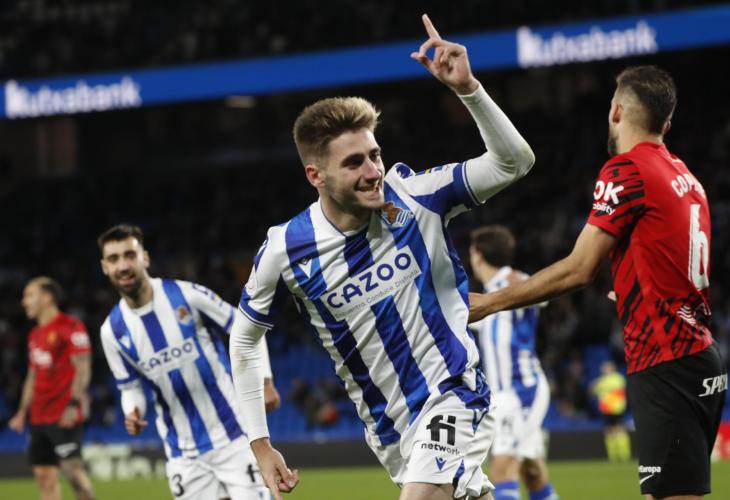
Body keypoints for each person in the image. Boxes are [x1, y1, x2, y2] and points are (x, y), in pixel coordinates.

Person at [230, 14, 535, 500]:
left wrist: (469, 90)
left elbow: (513, 163)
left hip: (454, 393)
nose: (373, 171)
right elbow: (244, 340)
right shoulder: (286, 248)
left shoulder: (418, 196)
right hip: (391, 432)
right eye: (354, 163)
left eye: (374, 155)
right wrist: (261, 445)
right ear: (315, 176)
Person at [469, 65, 727, 499]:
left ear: (616, 111)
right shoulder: (686, 177)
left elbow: (578, 269)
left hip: (667, 360)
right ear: (666, 124)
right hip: (696, 354)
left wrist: (491, 302)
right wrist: (632, 286)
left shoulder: (625, 170)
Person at [96, 224, 279, 499]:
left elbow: (246, 329)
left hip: (234, 436)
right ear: (104, 267)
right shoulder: (112, 331)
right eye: (113, 259)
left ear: (144, 257)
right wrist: (133, 411)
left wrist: (264, 379)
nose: (123, 266)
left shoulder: (186, 295)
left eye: (129, 255)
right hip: (183, 455)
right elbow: (130, 388)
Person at [468, 226, 558, 500]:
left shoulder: (512, 283)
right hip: (504, 394)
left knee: (502, 468)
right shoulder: (487, 296)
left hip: (521, 390)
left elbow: (544, 294)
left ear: (478, 255)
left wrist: (522, 280)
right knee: (533, 472)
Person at [8, 277, 95, 500]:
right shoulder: (35, 334)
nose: (24, 302)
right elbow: (32, 377)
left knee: (73, 473)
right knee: (44, 478)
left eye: (29, 295)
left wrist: (73, 404)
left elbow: (83, 369)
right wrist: (21, 412)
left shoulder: (71, 327)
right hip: (38, 417)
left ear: (47, 298)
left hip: (64, 414)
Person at [589, 360, 631, 462]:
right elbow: (592, 392)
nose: (604, 369)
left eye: (606, 367)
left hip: (617, 408)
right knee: (608, 431)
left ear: (612, 368)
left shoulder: (618, 378)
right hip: (606, 409)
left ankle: (624, 455)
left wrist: (597, 386)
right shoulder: (601, 380)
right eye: (603, 367)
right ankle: (612, 456)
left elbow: (619, 389)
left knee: (619, 430)